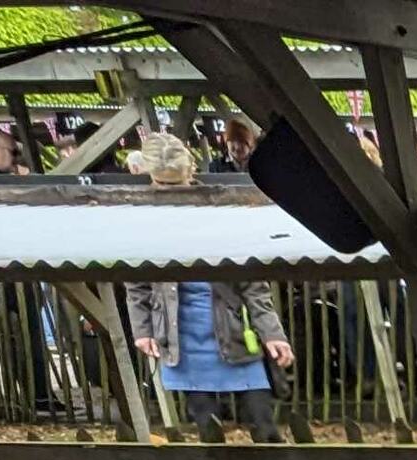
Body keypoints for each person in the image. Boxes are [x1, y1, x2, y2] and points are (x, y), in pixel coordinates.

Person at [122, 148, 293, 441]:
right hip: (181, 337)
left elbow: (253, 284)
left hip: (233, 330)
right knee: (206, 424)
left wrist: (272, 333)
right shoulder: (144, 223)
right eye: (163, 185)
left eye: (176, 184)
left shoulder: (221, 215)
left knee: (262, 420)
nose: (170, 192)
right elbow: (137, 282)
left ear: (190, 174)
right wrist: (142, 329)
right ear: (152, 179)